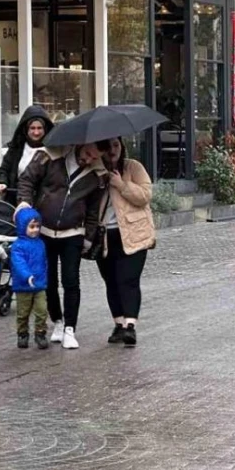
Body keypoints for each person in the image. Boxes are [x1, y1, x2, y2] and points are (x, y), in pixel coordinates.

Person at [17, 142, 106, 350]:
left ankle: (70, 329)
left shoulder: (96, 175)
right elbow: (27, 180)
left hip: (73, 232)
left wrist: (89, 237)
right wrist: (24, 204)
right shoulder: (50, 157)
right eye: (88, 154)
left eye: (95, 157)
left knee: (71, 281)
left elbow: (93, 210)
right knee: (48, 280)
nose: (89, 160)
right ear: (81, 145)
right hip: (44, 230)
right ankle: (57, 321)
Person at [94, 137, 155, 347]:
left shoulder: (133, 167)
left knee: (128, 279)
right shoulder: (96, 171)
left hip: (133, 232)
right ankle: (118, 324)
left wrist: (121, 184)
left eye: (116, 146)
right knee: (111, 280)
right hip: (104, 236)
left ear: (122, 146)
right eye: (107, 147)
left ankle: (130, 326)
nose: (112, 151)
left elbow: (145, 195)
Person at [0, 106, 53, 205]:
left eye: (39, 128)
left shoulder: (52, 150)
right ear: (26, 129)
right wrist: (2, 182)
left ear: (45, 129)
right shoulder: (17, 148)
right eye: (32, 128)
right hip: (15, 199)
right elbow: (4, 169)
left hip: (43, 202)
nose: (36, 132)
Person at [10, 207, 49, 350]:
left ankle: (40, 332)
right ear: (22, 226)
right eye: (31, 227)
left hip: (39, 284)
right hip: (23, 285)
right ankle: (22, 333)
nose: (35, 230)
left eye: (38, 226)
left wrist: (44, 278)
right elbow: (19, 263)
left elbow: (44, 262)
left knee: (42, 310)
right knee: (23, 312)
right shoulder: (18, 246)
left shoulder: (40, 243)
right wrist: (27, 276)